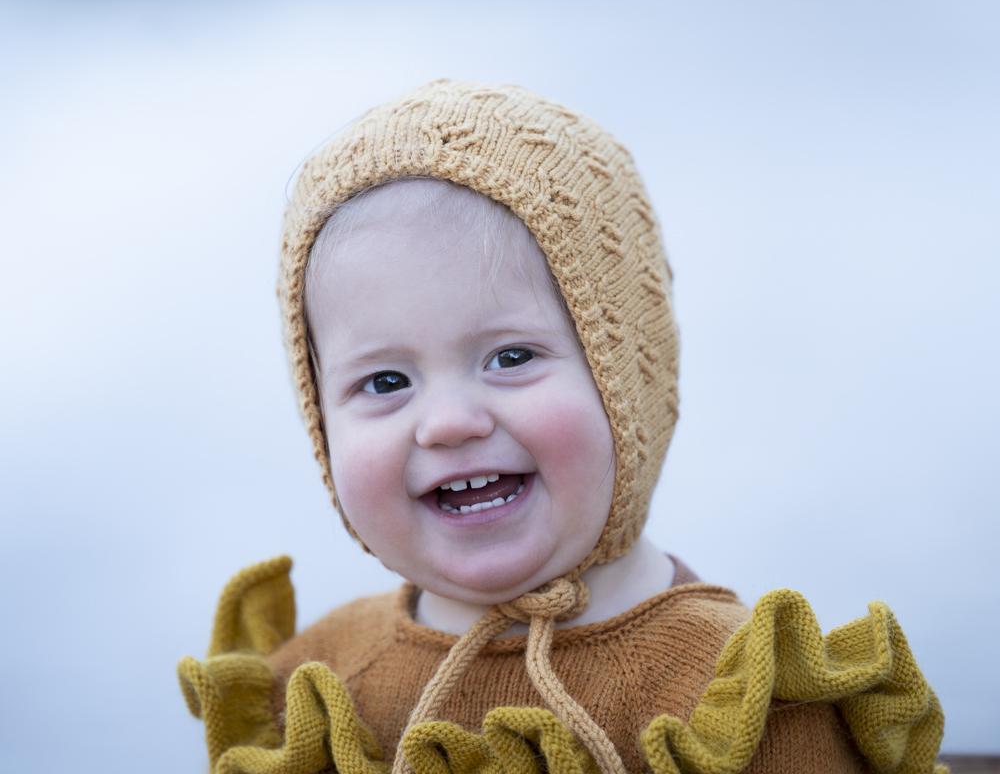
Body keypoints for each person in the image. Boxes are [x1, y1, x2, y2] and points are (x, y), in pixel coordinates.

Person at [178, 81, 946, 774]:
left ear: (629, 380)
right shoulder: (318, 682)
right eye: (385, 382)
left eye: (510, 357)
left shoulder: (737, 701)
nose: (447, 423)